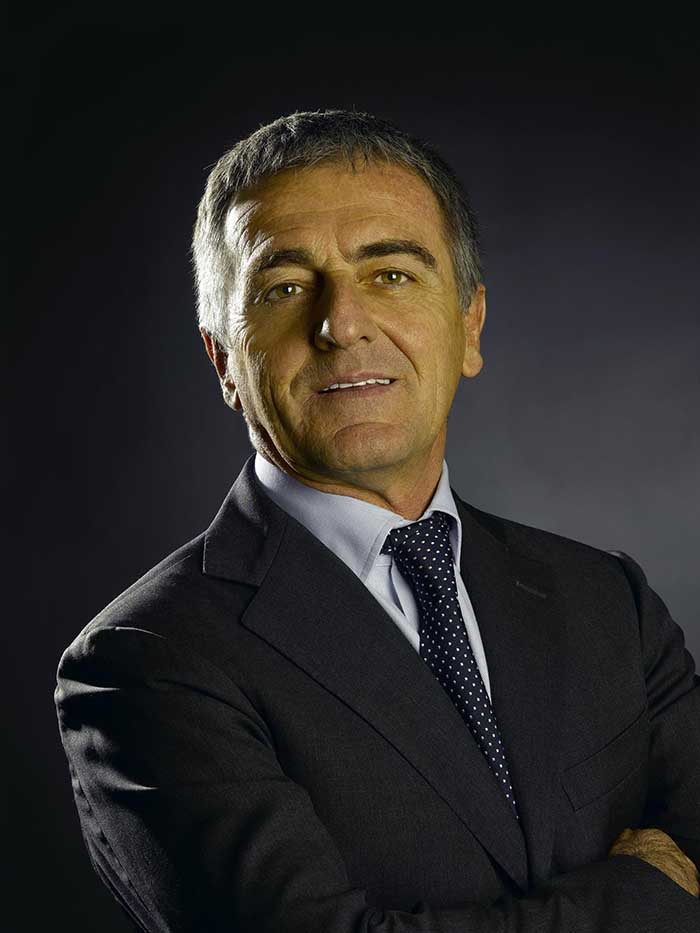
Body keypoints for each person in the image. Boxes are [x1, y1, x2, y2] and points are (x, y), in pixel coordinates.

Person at [54, 109, 700, 932]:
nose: (341, 324)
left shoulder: (607, 600)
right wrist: (649, 893)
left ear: (469, 325)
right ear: (224, 361)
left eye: (391, 273)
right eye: (285, 288)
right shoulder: (146, 661)